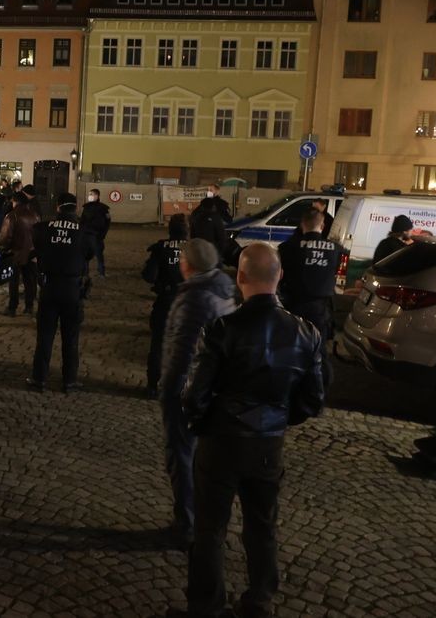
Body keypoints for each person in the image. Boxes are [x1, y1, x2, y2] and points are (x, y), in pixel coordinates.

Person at [176, 244, 326, 618]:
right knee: (262, 526)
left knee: (210, 528)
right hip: (267, 445)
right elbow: (313, 400)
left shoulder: (223, 328)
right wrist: (276, 419)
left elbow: (195, 395)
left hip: (220, 441)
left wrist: (201, 421)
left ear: (240, 277)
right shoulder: (306, 333)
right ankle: (259, 601)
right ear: (280, 277)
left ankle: (206, 606)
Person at [157, 238, 237, 548]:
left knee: (181, 456)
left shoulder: (196, 299)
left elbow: (185, 351)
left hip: (188, 390)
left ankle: (187, 525)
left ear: (188, 264)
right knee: (199, 459)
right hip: (211, 386)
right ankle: (201, 520)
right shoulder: (222, 290)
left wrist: (170, 390)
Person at [26, 192, 94, 392]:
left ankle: (39, 379)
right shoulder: (84, 231)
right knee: (71, 337)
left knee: (45, 337)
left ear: (57, 207)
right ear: (76, 207)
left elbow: (37, 248)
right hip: (73, 289)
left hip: (49, 287)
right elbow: (89, 253)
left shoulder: (43, 228)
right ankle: (69, 380)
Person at [278, 209, 342, 382]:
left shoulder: (287, 248)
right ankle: (317, 388)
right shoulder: (336, 249)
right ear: (322, 225)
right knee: (318, 352)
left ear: (302, 225)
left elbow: (280, 276)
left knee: (291, 348)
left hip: (294, 307)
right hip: (321, 310)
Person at [142, 214, 189, 397]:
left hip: (166, 302)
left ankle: (153, 386)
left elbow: (149, 275)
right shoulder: (196, 249)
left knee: (158, 345)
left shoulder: (161, 248)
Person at [0, 192, 39, 317]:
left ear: (15, 201)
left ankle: (12, 307)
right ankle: (29, 306)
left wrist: (3, 248)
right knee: (30, 281)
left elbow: (5, 237)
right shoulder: (35, 215)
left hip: (15, 253)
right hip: (31, 253)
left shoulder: (11, 216)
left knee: (13, 281)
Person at [80, 189, 112, 277]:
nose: (90, 196)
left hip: (97, 236)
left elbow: (108, 222)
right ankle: (85, 273)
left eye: (92, 194)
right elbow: (82, 221)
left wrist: (103, 234)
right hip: (86, 235)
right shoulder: (86, 207)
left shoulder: (104, 208)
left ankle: (101, 272)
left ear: (97, 196)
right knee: (85, 255)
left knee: (99, 254)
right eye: (89, 194)